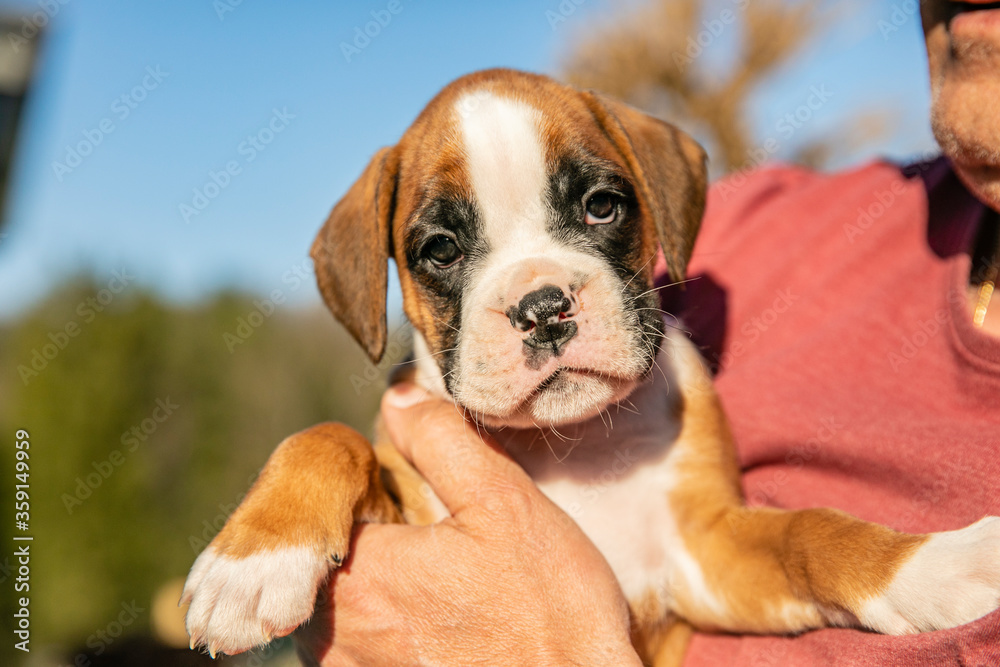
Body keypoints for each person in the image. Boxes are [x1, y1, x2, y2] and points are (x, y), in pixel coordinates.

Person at [298, 2, 1000, 664]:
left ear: (657, 200)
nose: (541, 310)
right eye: (445, 252)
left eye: (599, 206)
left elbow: (710, 550)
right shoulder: (763, 222)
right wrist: (293, 507)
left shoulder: (672, 380)